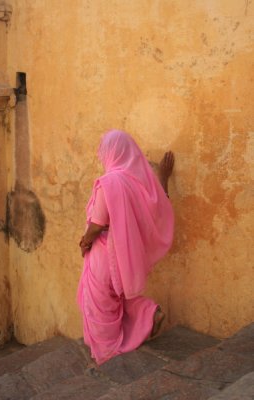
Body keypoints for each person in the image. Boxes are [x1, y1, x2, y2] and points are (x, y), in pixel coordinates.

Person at [77, 130, 174, 366]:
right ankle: (150, 314)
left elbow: (98, 223)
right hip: (125, 256)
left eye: (104, 151)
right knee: (117, 295)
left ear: (112, 153)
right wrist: (163, 177)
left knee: (101, 305)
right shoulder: (137, 183)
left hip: (103, 254)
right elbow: (159, 206)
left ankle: (108, 353)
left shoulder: (108, 183)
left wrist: (85, 240)